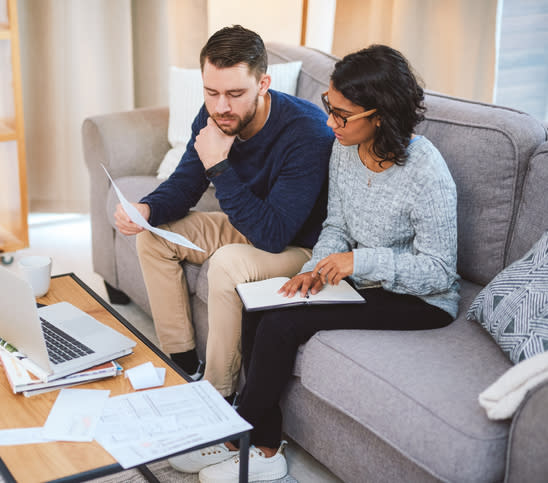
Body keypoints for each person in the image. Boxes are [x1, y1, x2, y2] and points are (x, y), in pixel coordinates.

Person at [173, 44, 461, 482]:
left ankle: (241, 440)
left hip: (422, 299)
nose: (330, 123)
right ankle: (265, 448)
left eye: (342, 115)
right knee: (261, 304)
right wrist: (318, 266)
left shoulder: (426, 170)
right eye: (330, 106)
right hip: (361, 279)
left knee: (283, 324)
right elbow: (337, 225)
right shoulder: (346, 149)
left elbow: (440, 271)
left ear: (379, 114)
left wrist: (356, 263)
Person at [113, 25, 334, 399]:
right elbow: (186, 183)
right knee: (153, 236)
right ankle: (183, 366)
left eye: (235, 94)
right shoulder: (214, 114)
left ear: (263, 83)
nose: (220, 107)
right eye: (211, 92)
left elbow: (273, 235)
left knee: (228, 263)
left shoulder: (306, 132)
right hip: (252, 224)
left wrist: (219, 166)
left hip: (301, 246)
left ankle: (218, 394)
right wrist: (145, 208)